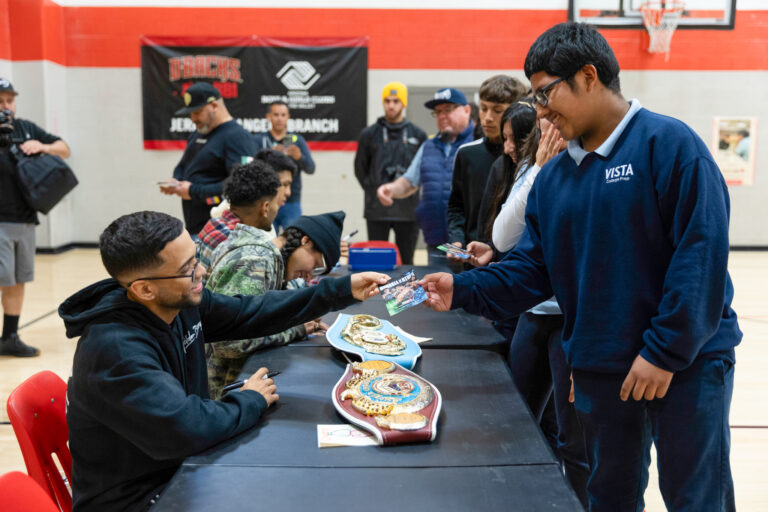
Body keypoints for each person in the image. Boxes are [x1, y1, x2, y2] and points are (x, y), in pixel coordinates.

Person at [420, 22, 740, 512]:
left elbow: (700, 258)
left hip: (687, 365)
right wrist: (463, 289)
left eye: (546, 93)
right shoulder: (555, 179)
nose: (539, 109)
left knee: (696, 499)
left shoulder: (671, 146)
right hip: (603, 367)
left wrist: (663, 352)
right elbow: (533, 269)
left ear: (589, 76)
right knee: (607, 497)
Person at [59, 210, 387, 511]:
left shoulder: (176, 301)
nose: (202, 270)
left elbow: (250, 311)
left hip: (179, 466)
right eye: (188, 269)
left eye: (195, 259)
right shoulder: (114, 351)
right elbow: (186, 426)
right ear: (145, 289)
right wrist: (249, 399)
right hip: (140, 498)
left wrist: (341, 290)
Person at [206, 211, 346, 398]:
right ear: (305, 241)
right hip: (223, 393)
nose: (311, 275)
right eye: (317, 266)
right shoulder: (256, 262)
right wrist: (295, 329)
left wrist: (300, 312)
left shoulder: (270, 259)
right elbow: (230, 344)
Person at [0, 78, 70, 357]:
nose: (6, 106)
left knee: (17, 280)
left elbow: (64, 148)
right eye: (0, 101)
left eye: (9, 100)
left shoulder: (26, 128)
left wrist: (42, 146)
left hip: (25, 219)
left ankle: (9, 336)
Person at [376, 88, 475, 267]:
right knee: (437, 290)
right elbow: (409, 181)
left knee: (468, 291)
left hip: (472, 243)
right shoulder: (428, 146)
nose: (442, 115)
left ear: (467, 110)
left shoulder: (478, 142)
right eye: (437, 112)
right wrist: (391, 189)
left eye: (448, 109)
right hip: (437, 241)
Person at [160, 82, 256, 236]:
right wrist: (175, 180)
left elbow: (243, 185)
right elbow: (183, 165)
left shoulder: (237, 137)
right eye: (190, 113)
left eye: (197, 112)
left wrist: (193, 191)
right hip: (195, 227)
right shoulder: (198, 133)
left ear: (214, 105)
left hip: (222, 232)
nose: (192, 118)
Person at [446, 75, 527, 256]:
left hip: (511, 258)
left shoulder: (527, 159)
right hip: (473, 257)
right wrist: (457, 238)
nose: (488, 118)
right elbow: (456, 206)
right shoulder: (467, 153)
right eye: (483, 109)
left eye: (497, 111)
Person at [354, 82, 427, 264]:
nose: (391, 105)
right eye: (387, 101)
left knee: (407, 262)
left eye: (396, 101)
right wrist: (373, 190)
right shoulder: (369, 134)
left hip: (408, 211)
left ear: (403, 103)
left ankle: (407, 293)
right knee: (377, 263)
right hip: (377, 210)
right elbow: (360, 169)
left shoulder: (418, 135)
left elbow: (422, 171)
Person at [197, 160, 283, 277]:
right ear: (265, 208)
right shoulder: (247, 249)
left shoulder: (213, 223)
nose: (278, 208)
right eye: (277, 203)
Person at [255, 101, 315, 232]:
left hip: (291, 200)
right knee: (267, 239)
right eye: (276, 114)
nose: (279, 119)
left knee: (293, 240)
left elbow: (311, 168)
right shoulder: (259, 140)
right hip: (266, 200)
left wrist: (299, 157)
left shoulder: (296, 140)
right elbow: (251, 166)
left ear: (288, 117)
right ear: (268, 116)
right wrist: (270, 155)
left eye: (283, 115)